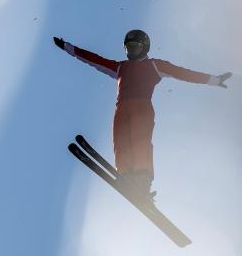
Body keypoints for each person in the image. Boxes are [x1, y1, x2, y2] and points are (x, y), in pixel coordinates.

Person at [53, 29, 231, 201]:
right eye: (129, 48)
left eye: (136, 47)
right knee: (121, 141)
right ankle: (126, 175)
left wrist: (213, 80)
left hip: (142, 107)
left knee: (140, 141)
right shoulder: (120, 67)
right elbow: (94, 59)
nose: (132, 51)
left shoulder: (154, 65)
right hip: (121, 109)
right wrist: (68, 47)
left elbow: (183, 73)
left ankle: (142, 180)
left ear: (145, 47)